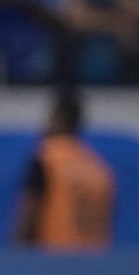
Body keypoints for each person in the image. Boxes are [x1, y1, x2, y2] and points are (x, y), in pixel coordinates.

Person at [12, 91, 114, 252]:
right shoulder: (99, 168)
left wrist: (16, 252)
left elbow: (30, 210)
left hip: (54, 259)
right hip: (93, 261)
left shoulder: (47, 158)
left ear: (60, 119)